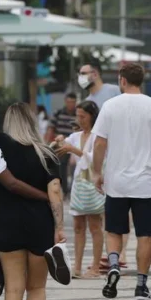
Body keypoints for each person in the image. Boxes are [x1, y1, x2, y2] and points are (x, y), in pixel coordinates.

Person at [92, 63, 151, 300]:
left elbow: (99, 144)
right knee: (145, 235)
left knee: (113, 230)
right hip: (146, 184)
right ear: (142, 80)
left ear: (122, 80)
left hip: (116, 182)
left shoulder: (110, 106)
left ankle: (113, 264)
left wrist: (97, 172)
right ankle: (141, 286)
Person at [0, 102, 66, 300]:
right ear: (33, 123)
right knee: (37, 287)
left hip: (8, 225)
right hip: (40, 226)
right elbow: (54, 192)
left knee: (13, 288)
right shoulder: (47, 155)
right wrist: (59, 228)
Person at [55, 100, 106, 279]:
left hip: (93, 184)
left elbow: (97, 158)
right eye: (78, 116)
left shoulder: (98, 136)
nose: (80, 119)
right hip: (79, 185)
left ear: (92, 116)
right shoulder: (76, 136)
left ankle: (96, 266)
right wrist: (61, 141)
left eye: (83, 116)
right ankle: (76, 266)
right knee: (77, 226)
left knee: (94, 225)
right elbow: (66, 143)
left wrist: (74, 150)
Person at [49, 93, 79, 188]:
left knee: (75, 166)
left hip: (74, 145)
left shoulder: (78, 114)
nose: (71, 104)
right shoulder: (58, 113)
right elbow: (51, 128)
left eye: (73, 102)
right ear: (65, 102)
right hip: (61, 144)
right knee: (61, 166)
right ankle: (65, 189)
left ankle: (73, 187)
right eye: (69, 102)